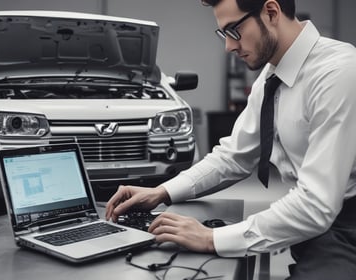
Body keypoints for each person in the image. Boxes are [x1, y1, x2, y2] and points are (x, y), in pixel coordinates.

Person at [106, 0, 356, 279]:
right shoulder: (271, 76)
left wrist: (212, 238)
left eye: (233, 31)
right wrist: (161, 192)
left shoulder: (338, 73)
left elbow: (316, 205)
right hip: (314, 227)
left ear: (271, 12)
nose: (229, 46)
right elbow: (235, 156)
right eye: (223, 34)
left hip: (345, 230)